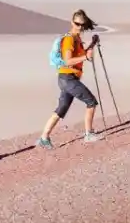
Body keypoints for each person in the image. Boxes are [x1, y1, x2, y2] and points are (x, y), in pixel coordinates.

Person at [37, 9, 102, 149]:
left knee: (62, 108)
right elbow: (68, 60)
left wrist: (92, 44)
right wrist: (85, 57)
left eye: (82, 25)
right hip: (68, 78)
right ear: (72, 22)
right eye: (77, 24)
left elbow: (82, 55)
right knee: (91, 102)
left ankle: (44, 138)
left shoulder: (77, 39)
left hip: (68, 78)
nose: (80, 27)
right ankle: (88, 134)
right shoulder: (69, 39)